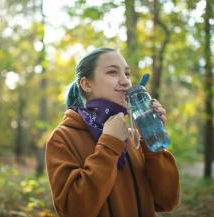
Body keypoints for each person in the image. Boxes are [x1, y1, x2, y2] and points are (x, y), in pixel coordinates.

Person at [45, 48, 179, 217]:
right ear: (86, 84)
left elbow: (166, 201)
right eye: (112, 72)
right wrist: (109, 145)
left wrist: (151, 140)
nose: (125, 82)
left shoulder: (132, 137)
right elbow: (74, 210)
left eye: (127, 74)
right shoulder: (63, 138)